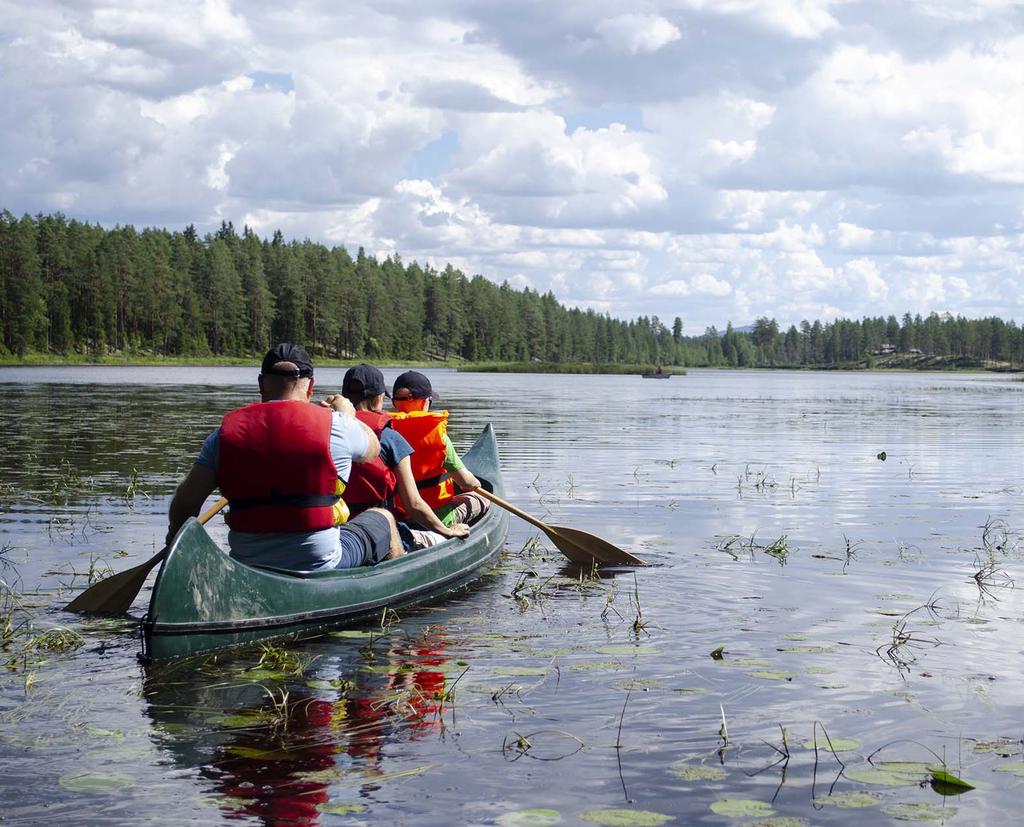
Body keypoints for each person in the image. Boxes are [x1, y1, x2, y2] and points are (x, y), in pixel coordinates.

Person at [166, 343, 404, 571]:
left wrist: (173, 538)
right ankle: (393, 589)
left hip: (248, 563)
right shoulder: (338, 425)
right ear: (310, 386)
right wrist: (348, 416)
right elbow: (371, 450)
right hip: (320, 562)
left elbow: (186, 503)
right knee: (383, 517)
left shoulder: (223, 435)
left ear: (261, 383)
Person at [335, 364, 469, 549]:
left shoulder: (327, 431)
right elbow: (414, 504)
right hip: (381, 533)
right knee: (446, 531)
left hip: (337, 527)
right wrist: (447, 532)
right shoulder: (390, 437)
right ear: (379, 397)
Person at [389, 370, 490, 530]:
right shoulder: (437, 437)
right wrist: (476, 484)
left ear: (394, 402)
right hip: (438, 517)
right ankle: (457, 528)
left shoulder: (384, 432)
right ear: (425, 402)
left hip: (395, 517)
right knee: (482, 499)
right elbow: (465, 481)